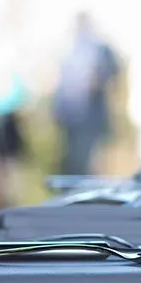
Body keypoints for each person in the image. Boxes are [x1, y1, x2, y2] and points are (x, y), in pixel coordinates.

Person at [53, 12, 120, 175]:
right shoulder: (69, 49)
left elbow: (113, 71)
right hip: (71, 118)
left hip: (91, 118)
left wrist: (98, 80)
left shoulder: (99, 49)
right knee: (73, 162)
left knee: (89, 162)